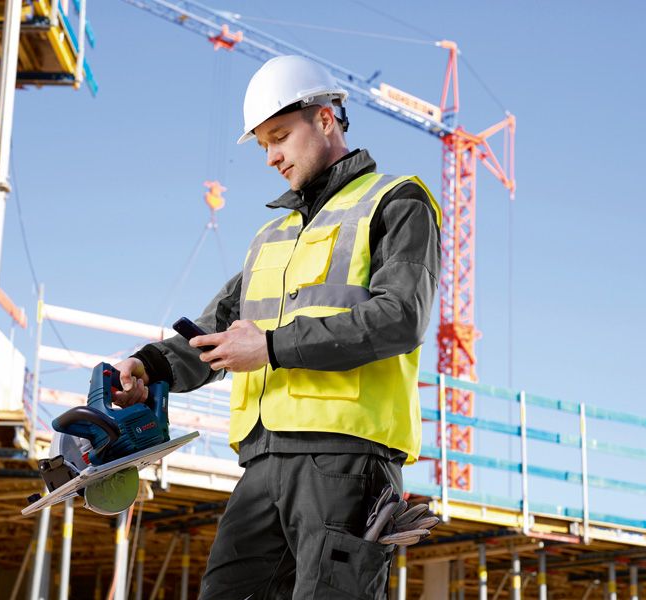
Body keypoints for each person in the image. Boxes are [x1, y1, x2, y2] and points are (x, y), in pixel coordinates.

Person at [113, 55, 441, 599]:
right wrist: (148, 368)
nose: (271, 157)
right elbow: (215, 332)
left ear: (325, 119)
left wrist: (270, 346)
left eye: (280, 137)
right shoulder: (273, 236)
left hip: (346, 458)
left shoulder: (396, 201)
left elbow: (400, 318)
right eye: (264, 144)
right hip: (263, 464)